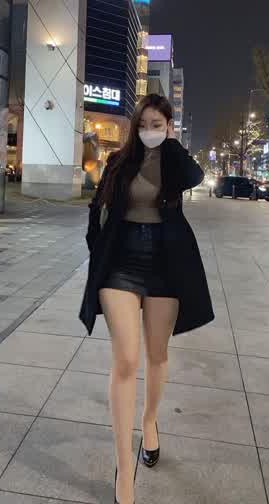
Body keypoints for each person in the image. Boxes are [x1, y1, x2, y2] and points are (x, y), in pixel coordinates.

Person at [79, 94, 214, 504]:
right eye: (144, 124)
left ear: (169, 126)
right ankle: (124, 468)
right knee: (126, 359)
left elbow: (194, 175)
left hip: (165, 262)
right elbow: (98, 205)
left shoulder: (174, 161)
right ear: (135, 126)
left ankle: (150, 420)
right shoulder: (120, 160)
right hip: (121, 262)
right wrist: (97, 248)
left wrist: (168, 143)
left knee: (157, 355)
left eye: (158, 124)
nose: (149, 131)